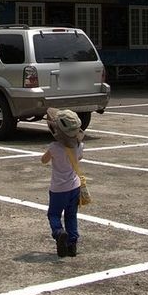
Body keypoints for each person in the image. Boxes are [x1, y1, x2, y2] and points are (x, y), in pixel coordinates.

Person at [40, 108, 84, 257]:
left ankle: (59, 233)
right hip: (75, 186)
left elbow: (43, 160)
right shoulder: (79, 146)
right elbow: (79, 158)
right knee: (71, 215)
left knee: (53, 214)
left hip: (59, 189)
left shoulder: (54, 147)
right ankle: (72, 245)